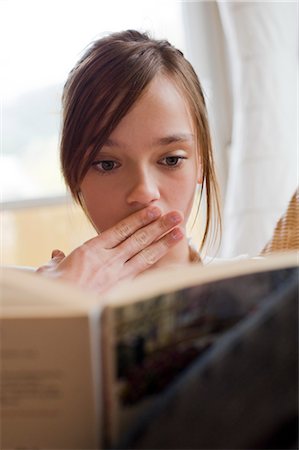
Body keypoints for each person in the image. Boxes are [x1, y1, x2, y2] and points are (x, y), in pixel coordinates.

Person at [37, 29, 221, 294]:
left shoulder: (266, 295)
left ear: (201, 163)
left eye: (171, 160)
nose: (145, 192)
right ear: (74, 173)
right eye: (107, 164)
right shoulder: (31, 303)